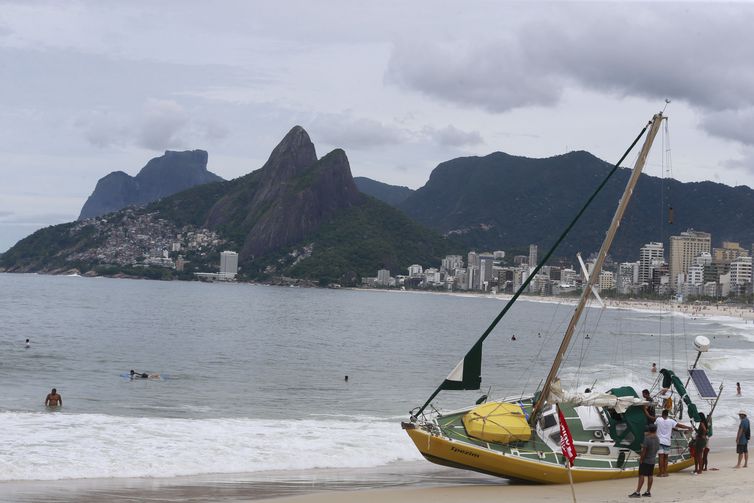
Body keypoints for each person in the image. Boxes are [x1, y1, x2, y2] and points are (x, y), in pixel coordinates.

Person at [654, 409, 693, 477]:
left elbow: (654, 425)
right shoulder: (671, 421)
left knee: (660, 457)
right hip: (667, 442)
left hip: (659, 441)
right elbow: (679, 425)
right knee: (666, 457)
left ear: (662, 414)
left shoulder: (658, 420)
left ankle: (660, 472)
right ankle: (665, 472)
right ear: (668, 414)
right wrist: (688, 427)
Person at [629, 423, 659, 498]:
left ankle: (637, 492)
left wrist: (641, 459)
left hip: (646, 460)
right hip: (652, 460)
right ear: (655, 430)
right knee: (650, 475)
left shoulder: (647, 438)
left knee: (641, 475)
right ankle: (648, 492)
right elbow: (656, 448)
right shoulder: (657, 438)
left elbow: (644, 451)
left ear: (649, 430)